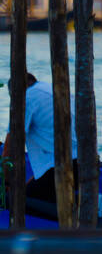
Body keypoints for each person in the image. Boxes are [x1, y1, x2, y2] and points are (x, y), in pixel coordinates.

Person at [3, 73, 78, 204]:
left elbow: (11, 146)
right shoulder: (50, 90)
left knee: (14, 203)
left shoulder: (26, 98)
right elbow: (46, 165)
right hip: (82, 163)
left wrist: (4, 182)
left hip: (62, 169)